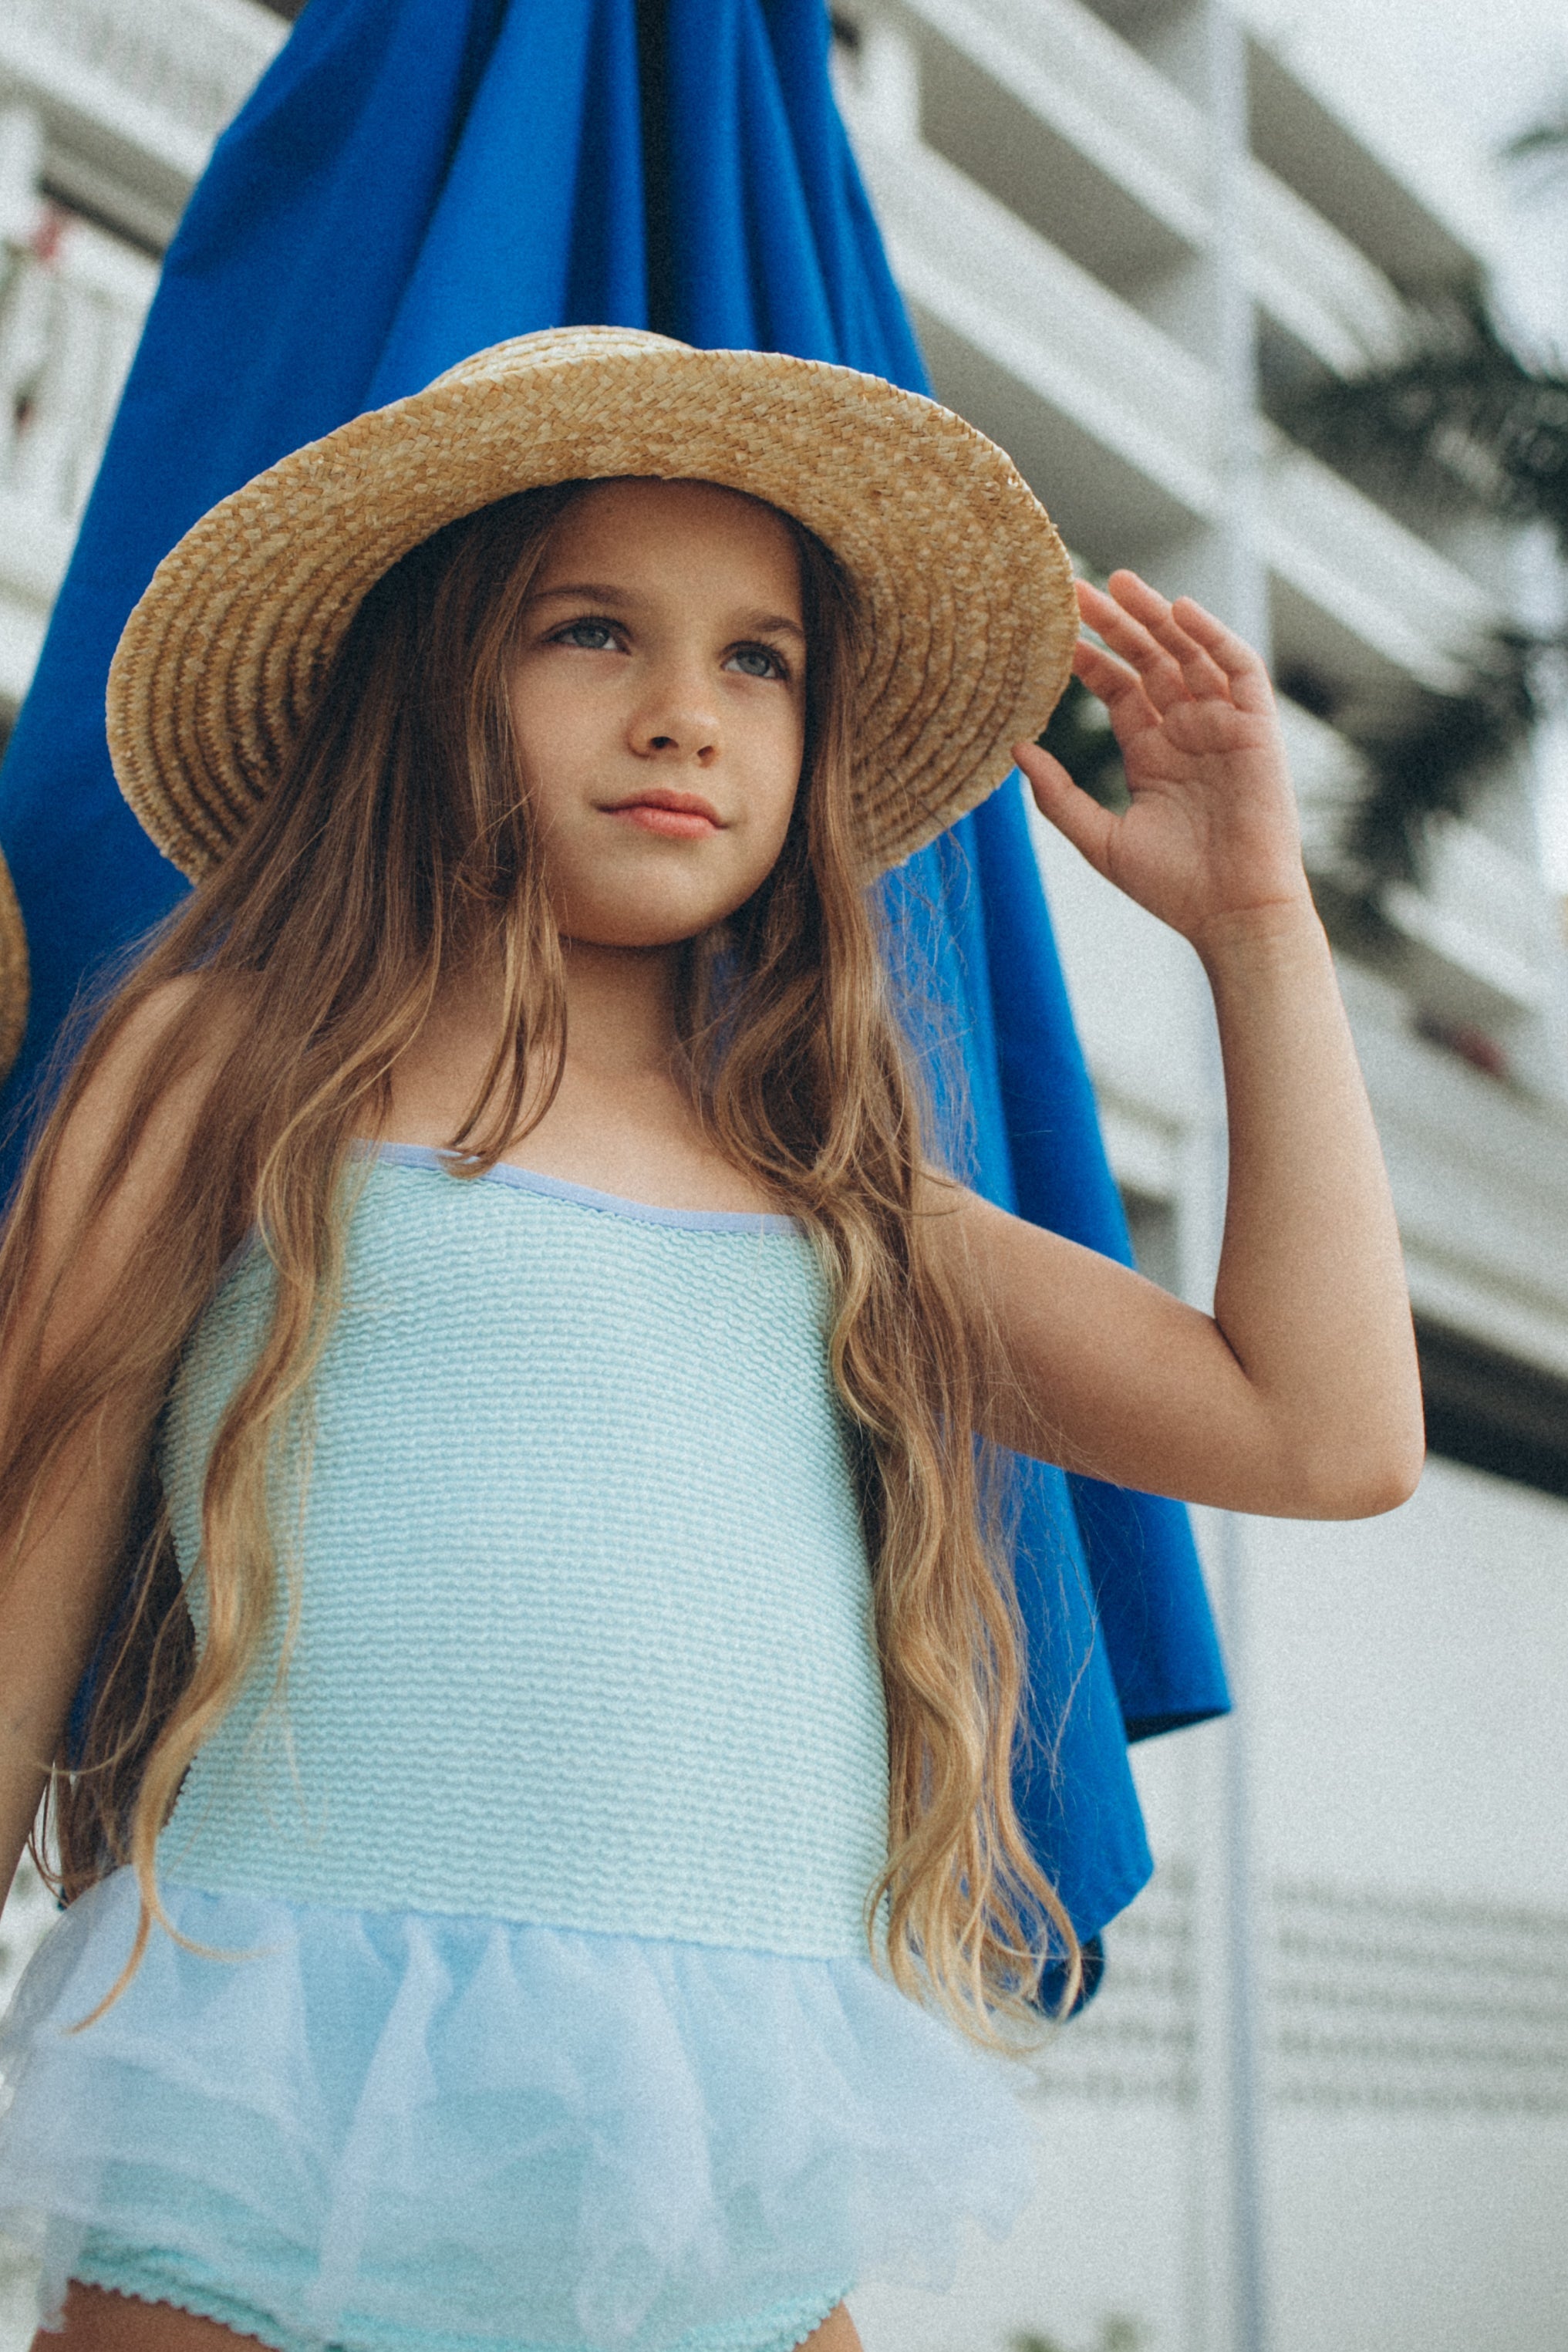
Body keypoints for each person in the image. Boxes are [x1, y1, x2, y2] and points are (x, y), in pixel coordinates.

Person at [0, 327, 1423, 2352]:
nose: (686, 715)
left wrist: (1256, 929)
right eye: (593, 631)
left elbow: (1326, 1432)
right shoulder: (228, 1064)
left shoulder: (834, 1191)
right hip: (261, 2124)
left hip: (717, 2175)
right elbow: (20, 1595)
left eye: (757, 658)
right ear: (431, 674)